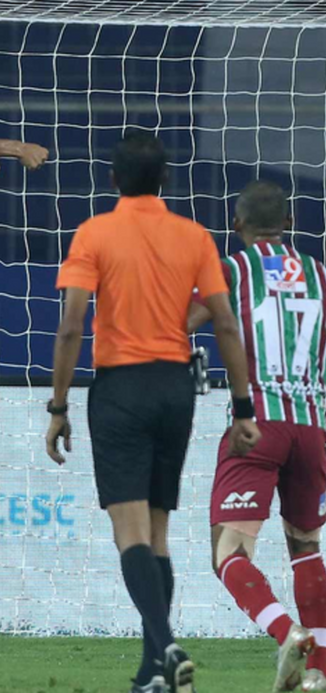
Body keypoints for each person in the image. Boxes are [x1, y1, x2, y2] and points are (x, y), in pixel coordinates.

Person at [45, 130, 260, 693]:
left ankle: (165, 644)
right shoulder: (193, 237)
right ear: (165, 178)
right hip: (175, 389)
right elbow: (225, 322)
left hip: (121, 387)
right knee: (159, 534)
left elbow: (71, 327)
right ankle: (151, 674)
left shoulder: (95, 233)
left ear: (113, 179)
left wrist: (58, 405)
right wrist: (243, 408)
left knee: (130, 534)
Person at [187, 180, 326, 693]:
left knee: (229, 551)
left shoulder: (232, 270)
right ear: (288, 224)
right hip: (310, 429)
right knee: (306, 545)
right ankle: (318, 675)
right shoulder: (323, 277)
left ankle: (287, 631)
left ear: (236, 226)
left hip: (256, 425)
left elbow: (182, 326)